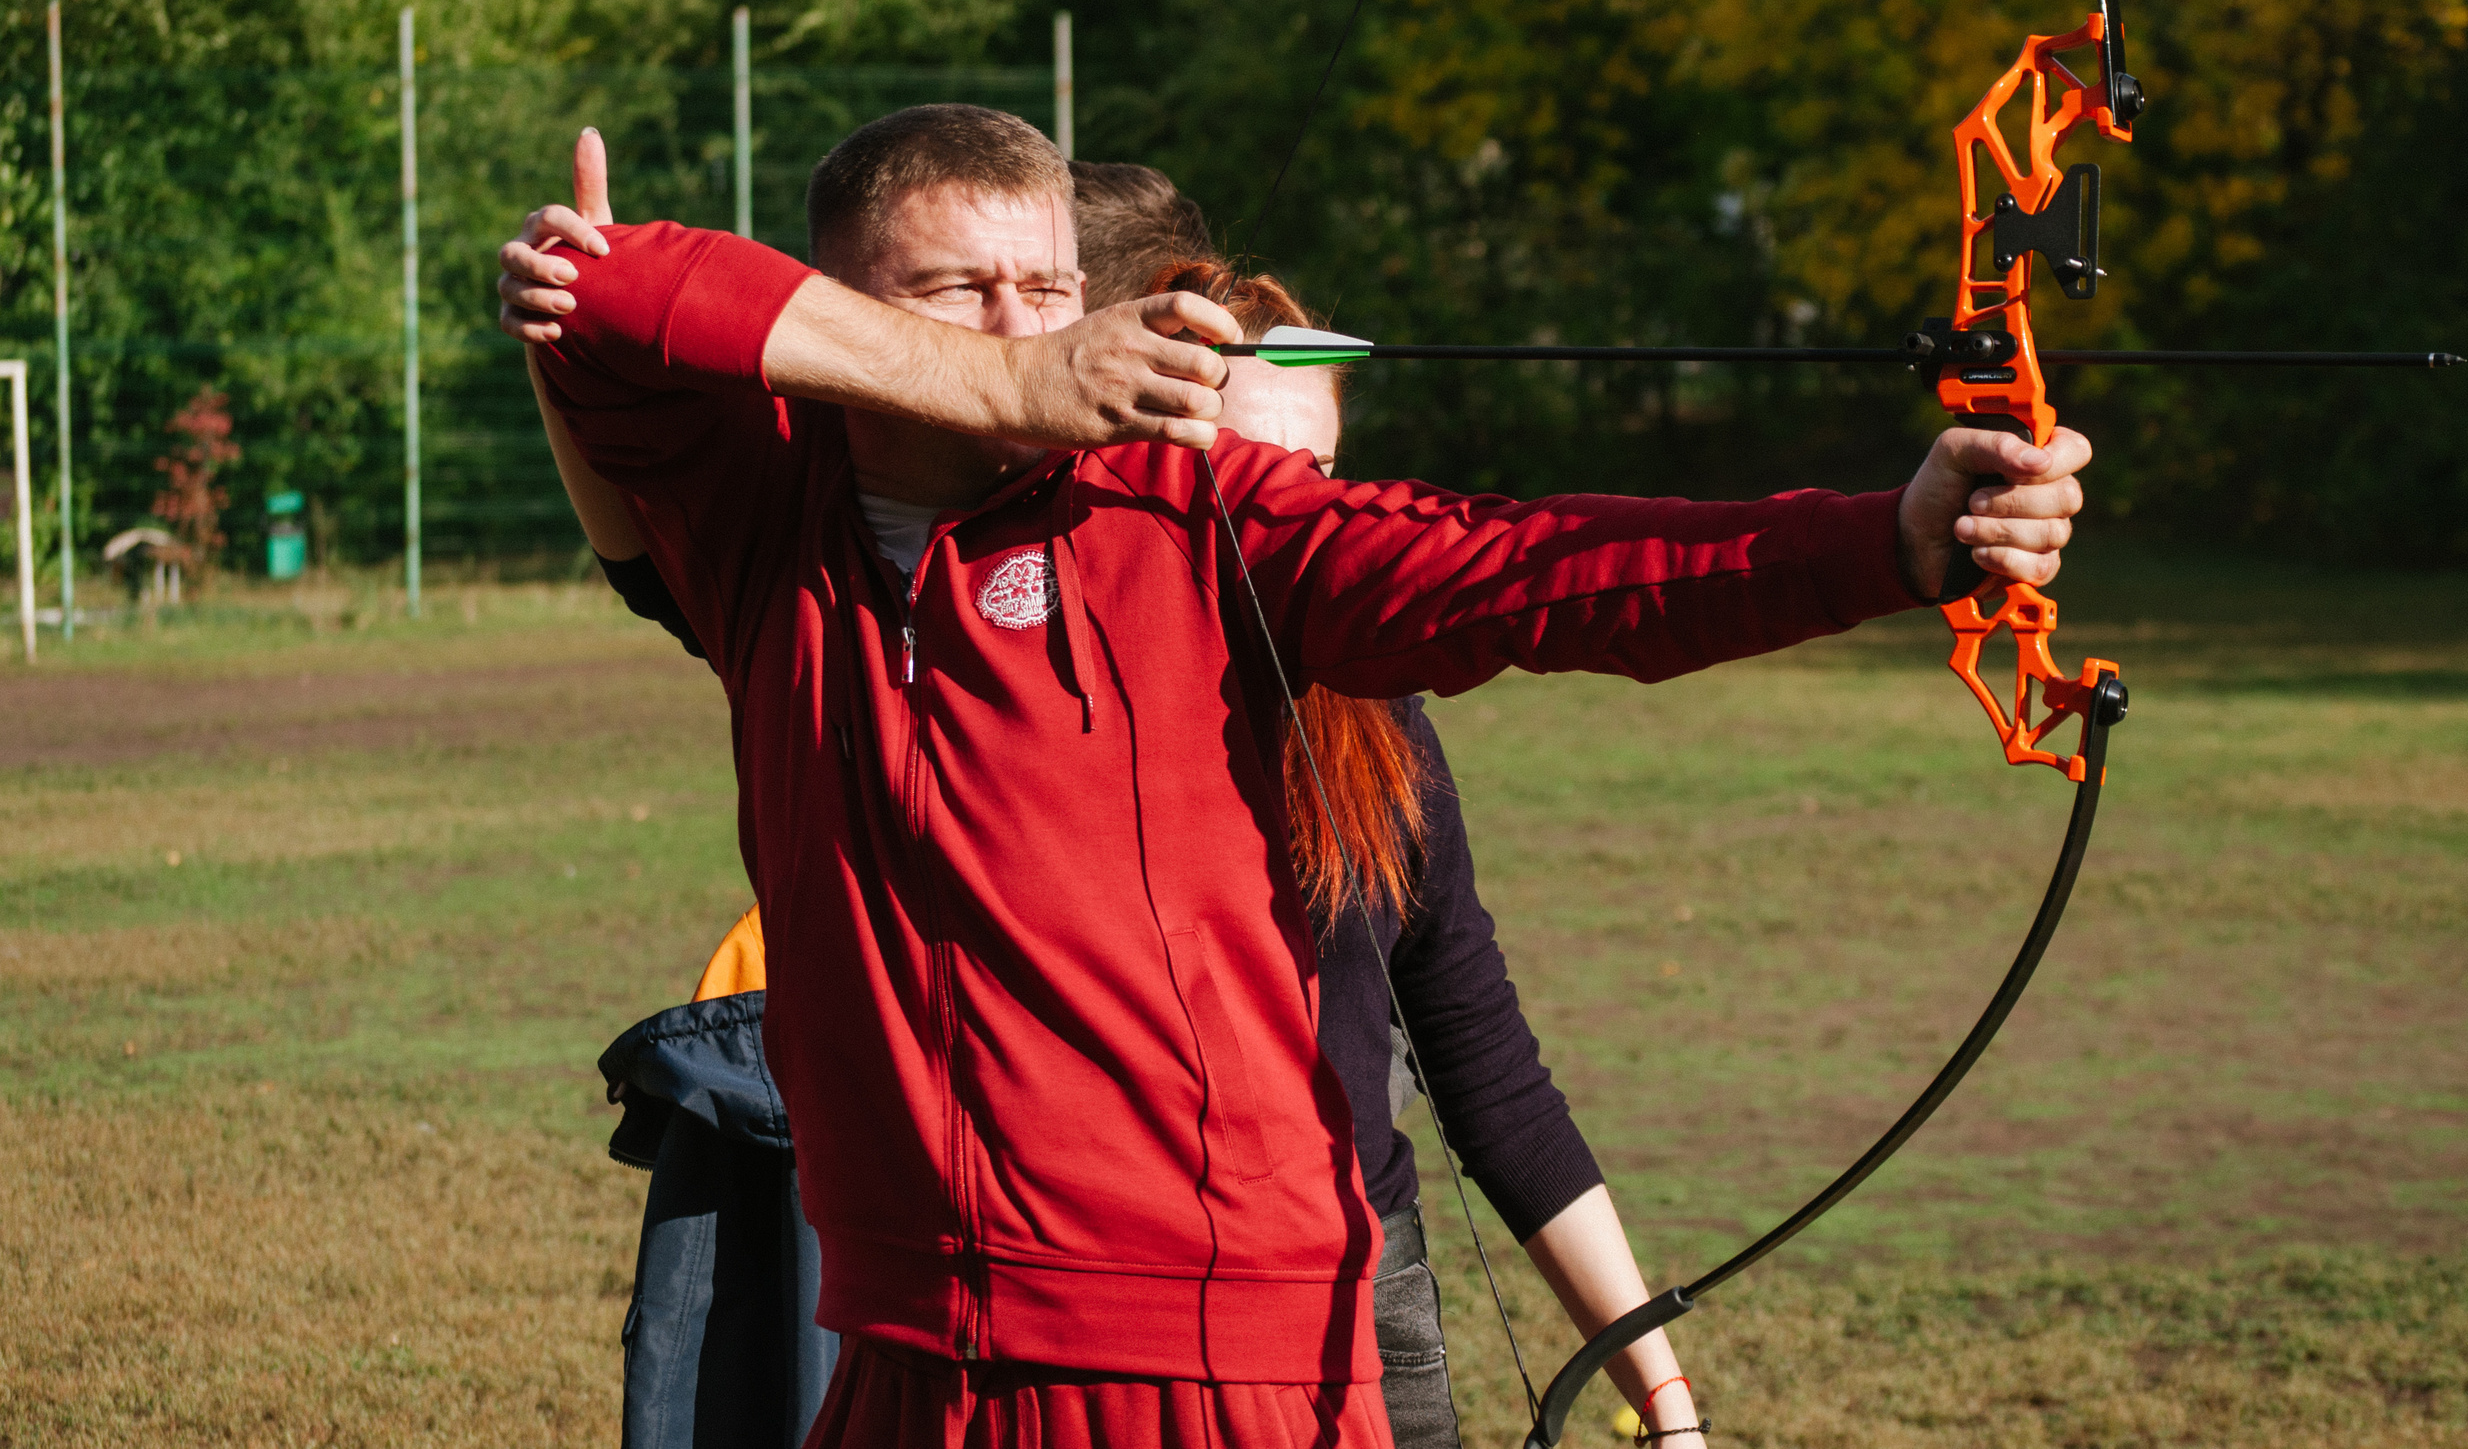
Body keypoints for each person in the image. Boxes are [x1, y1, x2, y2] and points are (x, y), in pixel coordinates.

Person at [497, 104, 2090, 1449]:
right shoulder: (767, 533)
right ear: (847, 307)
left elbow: (1531, 571)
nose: (1020, 322)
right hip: (912, 1346)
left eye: (1046, 288)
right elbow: (615, 298)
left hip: (1208, 1362)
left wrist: (1888, 542)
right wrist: (1011, 387)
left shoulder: (1198, 515)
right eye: (958, 289)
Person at [538, 162, 1705, 1445]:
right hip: (1019, 1314)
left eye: (1320, 471)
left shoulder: (1379, 733)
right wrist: (1002, 381)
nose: (1289, 504)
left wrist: (1662, 1391)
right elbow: (626, 357)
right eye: (1243, 462)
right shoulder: (910, 602)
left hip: (1350, 1304)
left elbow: (1489, 1072)